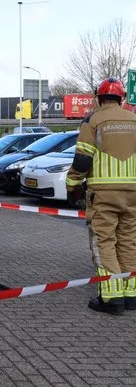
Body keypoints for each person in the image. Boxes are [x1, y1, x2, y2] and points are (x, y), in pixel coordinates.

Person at [66, 77, 136, 315]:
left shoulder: (93, 121)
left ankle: (111, 298)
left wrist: (72, 185)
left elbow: (82, 160)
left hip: (104, 194)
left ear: (98, 97)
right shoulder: (135, 120)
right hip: (134, 195)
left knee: (104, 243)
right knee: (128, 242)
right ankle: (131, 295)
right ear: (121, 98)